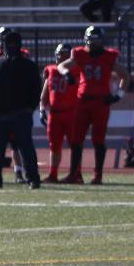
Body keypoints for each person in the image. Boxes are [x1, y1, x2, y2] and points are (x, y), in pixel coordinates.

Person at [62, 25, 132, 183]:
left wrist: (118, 96)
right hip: (82, 102)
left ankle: (98, 175)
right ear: (86, 39)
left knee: (98, 140)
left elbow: (126, 76)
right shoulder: (79, 54)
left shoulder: (109, 56)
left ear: (102, 40)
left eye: (97, 39)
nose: (94, 43)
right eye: (92, 39)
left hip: (101, 103)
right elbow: (62, 65)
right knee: (75, 139)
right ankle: (74, 174)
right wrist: (66, 74)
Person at [0, 29, 43, 189]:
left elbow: (36, 89)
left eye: (14, 43)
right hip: (1, 114)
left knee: (25, 148)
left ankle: (33, 178)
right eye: (8, 43)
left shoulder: (28, 66)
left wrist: (30, 107)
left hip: (20, 113)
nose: (11, 46)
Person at [40, 42, 80, 182]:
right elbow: (44, 95)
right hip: (55, 114)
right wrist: (41, 110)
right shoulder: (50, 70)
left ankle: (76, 174)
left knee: (74, 144)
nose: (62, 58)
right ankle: (53, 174)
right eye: (60, 55)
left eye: (65, 55)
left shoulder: (76, 70)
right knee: (54, 145)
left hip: (71, 113)